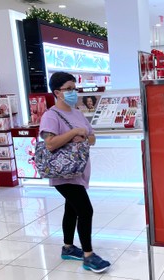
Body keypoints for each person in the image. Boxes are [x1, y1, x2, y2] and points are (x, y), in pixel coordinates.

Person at [39, 72, 110, 273]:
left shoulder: (77, 113)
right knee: (85, 210)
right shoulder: (51, 115)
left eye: (74, 88)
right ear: (57, 92)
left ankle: (68, 247)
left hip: (78, 170)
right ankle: (88, 256)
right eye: (68, 89)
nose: (73, 92)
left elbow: (92, 138)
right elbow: (50, 143)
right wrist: (73, 133)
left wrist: (84, 138)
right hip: (63, 173)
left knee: (71, 208)